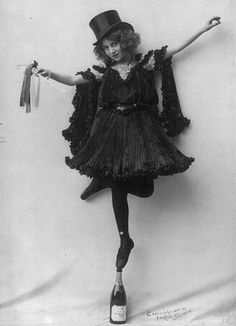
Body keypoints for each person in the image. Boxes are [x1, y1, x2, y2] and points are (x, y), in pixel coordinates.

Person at [34, 10, 221, 271]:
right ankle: (125, 239)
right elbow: (71, 79)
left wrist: (203, 28)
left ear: (126, 41)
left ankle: (103, 180)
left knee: (146, 189)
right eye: (106, 47)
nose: (112, 51)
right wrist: (49, 73)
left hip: (141, 132)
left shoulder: (145, 62)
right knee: (119, 183)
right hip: (109, 133)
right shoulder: (102, 71)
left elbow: (176, 48)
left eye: (115, 44)